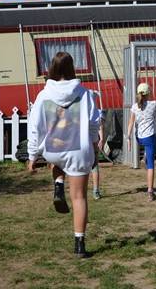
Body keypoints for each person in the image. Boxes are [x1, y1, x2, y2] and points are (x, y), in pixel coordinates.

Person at [27, 52, 100, 258]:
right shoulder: (85, 94)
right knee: (79, 197)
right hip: (79, 150)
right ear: (72, 69)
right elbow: (94, 123)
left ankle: (58, 184)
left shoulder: (43, 95)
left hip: (53, 151)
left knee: (57, 161)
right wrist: (94, 147)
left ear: (51, 69)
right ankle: (79, 244)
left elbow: (35, 127)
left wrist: (32, 156)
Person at [126, 83, 156, 201]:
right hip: (150, 137)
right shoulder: (153, 104)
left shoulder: (134, 107)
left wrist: (128, 137)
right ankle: (150, 192)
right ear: (149, 93)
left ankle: (144, 157)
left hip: (139, 138)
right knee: (151, 166)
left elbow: (131, 123)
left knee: (148, 149)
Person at [90, 108, 105, 200]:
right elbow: (100, 126)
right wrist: (102, 138)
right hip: (92, 141)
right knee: (94, 166)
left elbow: (100, 126)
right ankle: (95, 191)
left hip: (88, 142)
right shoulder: (97, 112)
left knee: (93, 166)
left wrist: (102, 138)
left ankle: (95, 190)